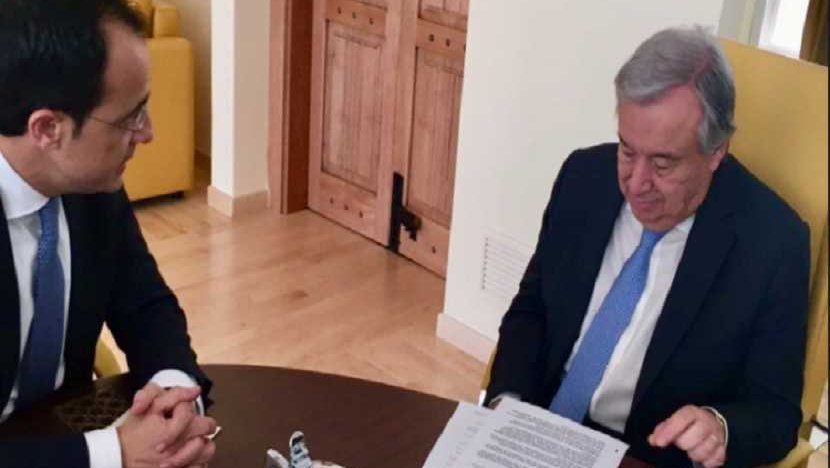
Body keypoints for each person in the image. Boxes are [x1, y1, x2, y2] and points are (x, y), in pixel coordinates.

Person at [485, 26, 809, 468]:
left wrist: (719, 427)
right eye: (627, 150)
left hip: (645, 458)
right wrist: (507, 402)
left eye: (662, 163)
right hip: (535, 433)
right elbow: (533, 308)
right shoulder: (582, 177)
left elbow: (776, 413)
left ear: (716, 152)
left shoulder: (773, 243)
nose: (636, 184)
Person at [0, 0, 218, 467]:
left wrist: (176, 394)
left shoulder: (92, 188)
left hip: (65, 421)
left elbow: (146, 306)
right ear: (48, 129)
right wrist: (113, 452)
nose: (148, 133)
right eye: (130, 118)